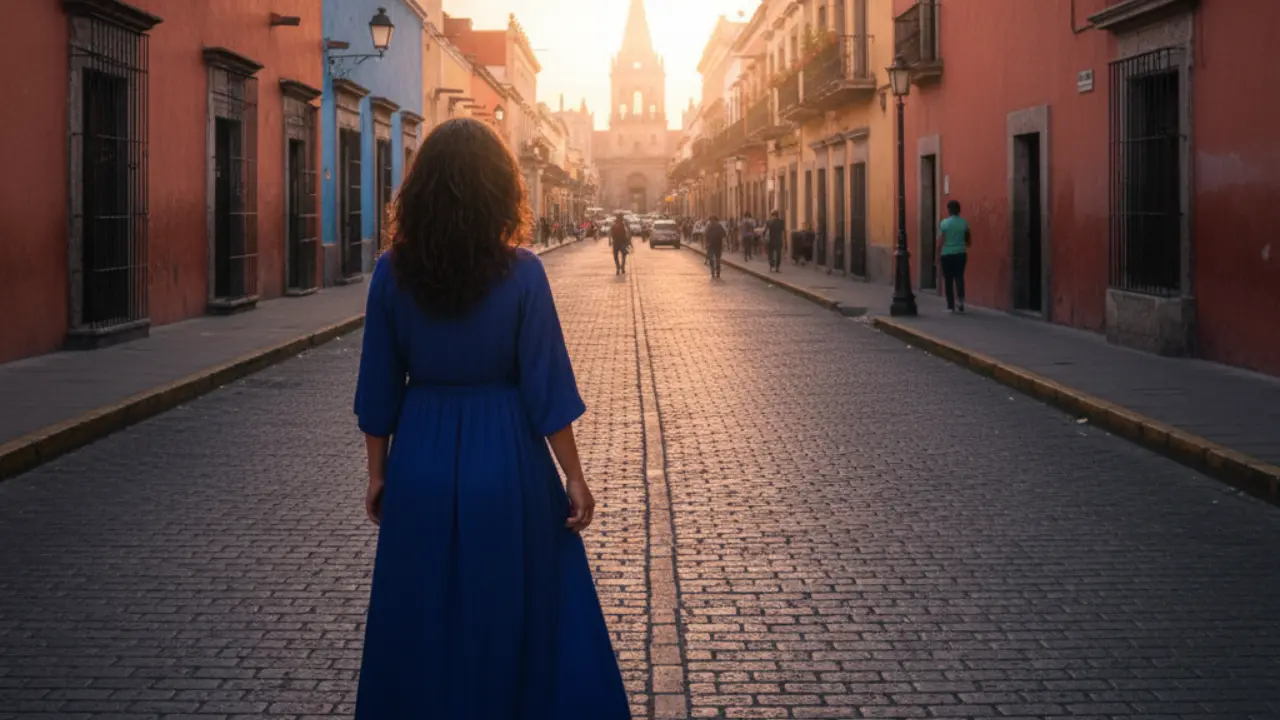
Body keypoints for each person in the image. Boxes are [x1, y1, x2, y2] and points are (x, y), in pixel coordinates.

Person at [352, 118, 629, 719]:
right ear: (500, 188)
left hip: (421, 459)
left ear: (419, 190)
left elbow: (378, 388)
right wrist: (574, 476)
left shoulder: (390, 273)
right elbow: (546, 383)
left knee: (422, 613)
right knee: (517, 608)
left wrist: (379, 473)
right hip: (508, 462)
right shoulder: (523, 272)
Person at [937, 199, 971, 312]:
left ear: (949, 210)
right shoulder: (964, 223)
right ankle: (960, 301)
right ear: (959, 210)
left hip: (947, 254)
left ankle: (950, 306)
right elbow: (969, 241)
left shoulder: (944, 223)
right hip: (961, 253)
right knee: (960, 278)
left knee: (948, 280)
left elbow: (940, 241)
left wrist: (936, 257)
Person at [705, 214, 726, 280]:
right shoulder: (717, 226)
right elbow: (724, 235)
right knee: (717, 259)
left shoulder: (711, 226)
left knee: (714, 259)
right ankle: (717, 272)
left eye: (712, 220)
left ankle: (714, 272)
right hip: (715, 245)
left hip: (713, 245)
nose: (711, 221)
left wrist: (706, 244)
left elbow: (706, 235)